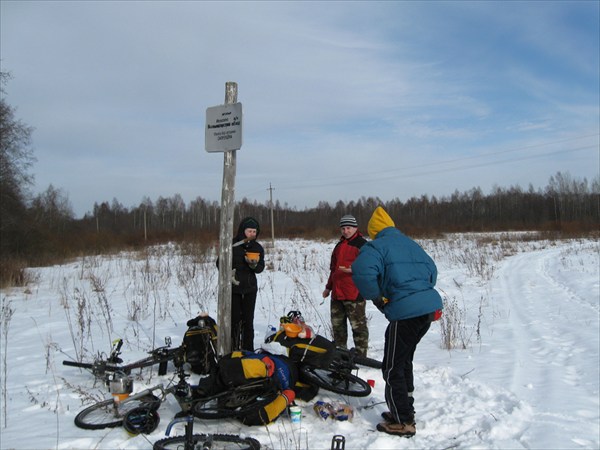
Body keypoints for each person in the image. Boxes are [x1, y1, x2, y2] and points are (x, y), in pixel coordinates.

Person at [351, 206, 443, 438]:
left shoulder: (376, 246)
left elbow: (362, 272)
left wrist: (379, 298)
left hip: (406, 312)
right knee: (403, 361)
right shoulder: (410, 243)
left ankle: (403, 421)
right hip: (428, 309)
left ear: (374, 231)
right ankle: (403, 409)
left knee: (392, 367)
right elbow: (432, 271)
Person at [322, 214, 369, 356]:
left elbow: (370, 268)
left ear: (355, 228)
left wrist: (354, 269)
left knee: (358, 328)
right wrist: (328, 287)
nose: (346, 231)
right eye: (343, 228)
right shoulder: (339, 246)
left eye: (349, 228)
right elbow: (333, 269)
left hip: (354, 293)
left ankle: (361, 356)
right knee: (338, 328)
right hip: (337, 293)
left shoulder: (362, 245)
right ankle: (340, 354)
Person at [223, 217, 265, 351]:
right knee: (234, 321)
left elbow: (260, 268)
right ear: (243, 231)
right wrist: (228, 273)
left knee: (248, 322)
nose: (252, 234)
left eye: (254, 231)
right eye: (249, 231)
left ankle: (248, 351)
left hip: (250, 289)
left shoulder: (257, 248)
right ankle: (233, 349)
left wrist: (254, 266)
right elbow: (220, 263)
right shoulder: (232, 245)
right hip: (234, 289)